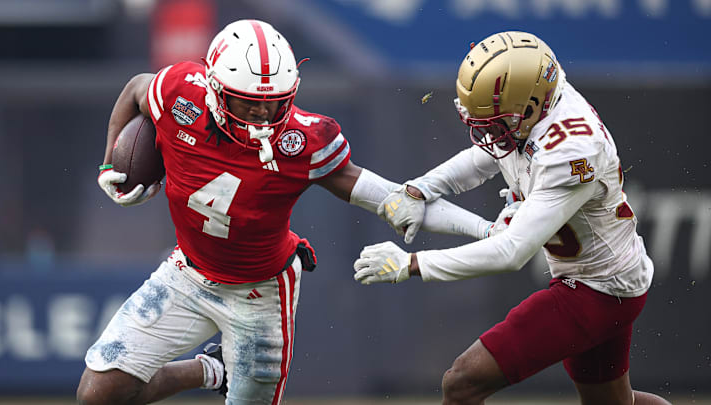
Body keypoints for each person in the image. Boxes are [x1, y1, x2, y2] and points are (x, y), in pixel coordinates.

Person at [77, 19, 496, 405]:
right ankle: (208, 370)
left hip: (258, 294)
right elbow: (136, 87)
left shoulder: (304, 140)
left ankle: (220, 367)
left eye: (274, 103)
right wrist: (111, 164)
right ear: (215, 90)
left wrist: (485, 230)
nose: (262, 113)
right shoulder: (179, 93)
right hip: (186, 273)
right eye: (247, 103)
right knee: (97, 395)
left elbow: (395, 200)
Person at [353, 31, 671, 405]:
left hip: (596, 289)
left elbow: (511, 252)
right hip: (611, 280)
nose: (486, 132)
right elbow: (486, 157)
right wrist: (420, 188)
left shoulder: (571, 151)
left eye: (495, 122)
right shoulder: (537, 105)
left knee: (462, 382)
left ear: (533, 105)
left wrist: (411, 263)